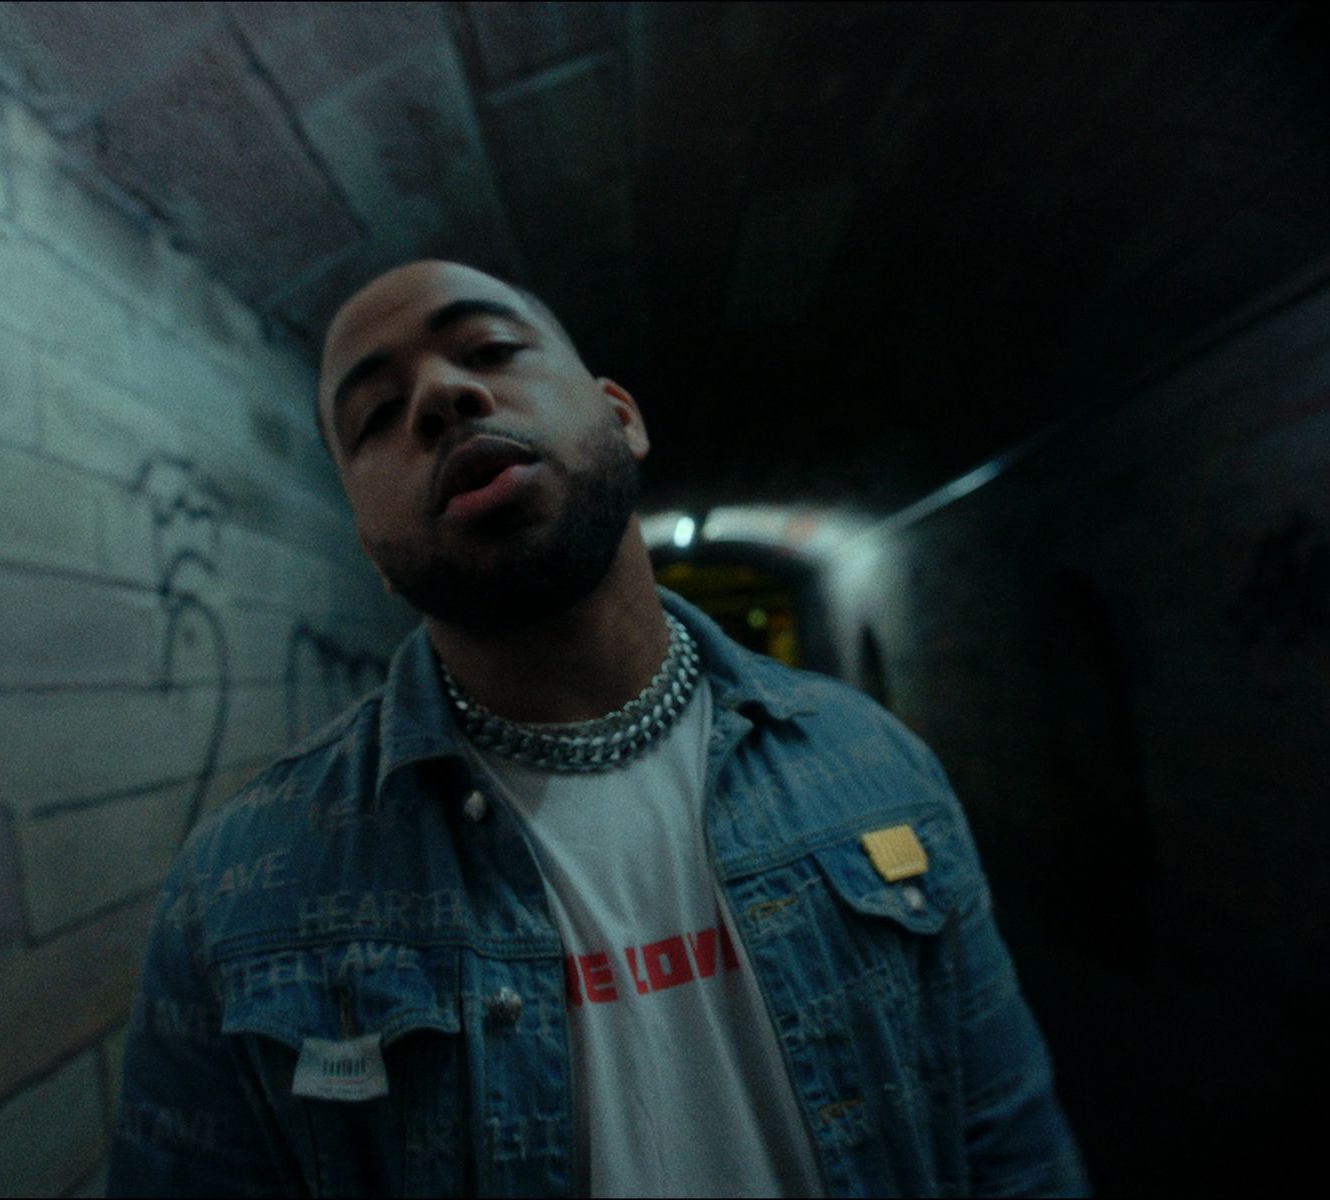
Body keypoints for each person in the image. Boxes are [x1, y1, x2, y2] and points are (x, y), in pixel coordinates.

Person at [107, 260, 1089, 1197]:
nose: (441, 397)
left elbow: (1008, 1149)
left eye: (490, 351)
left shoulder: (871, 765)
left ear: (620, 418)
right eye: (374, 415)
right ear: (366, 542)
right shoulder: (239, 898)